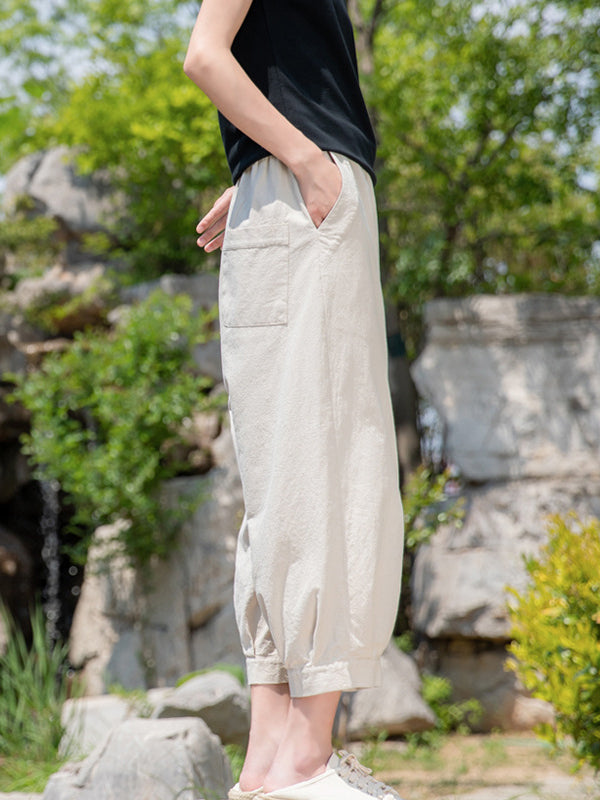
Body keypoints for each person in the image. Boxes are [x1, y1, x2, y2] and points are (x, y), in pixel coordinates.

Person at [183, 2, 405, 799]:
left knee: (285, 478)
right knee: (337, 465)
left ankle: (269, 764)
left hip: (277, 192)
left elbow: (271, 59)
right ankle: (308, 759)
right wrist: (304, 161)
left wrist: (254, 170)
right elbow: (205, 56)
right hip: (309, 191)